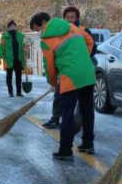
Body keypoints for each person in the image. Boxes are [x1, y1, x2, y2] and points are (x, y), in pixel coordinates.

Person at [30, 12, 96, 160]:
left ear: (43, 22)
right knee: (87, 111)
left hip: (69, 77)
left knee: (67, 114)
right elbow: (90, 41)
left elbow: (50, 67)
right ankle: (88, 144)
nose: (39, 33)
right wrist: (82, 59)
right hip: (87, 73)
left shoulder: (46, 39)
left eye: (38, 29)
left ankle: (65, 151)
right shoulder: (72, 26)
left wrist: (53, 83)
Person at [42, 6, 94, 129]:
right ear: (64, 18)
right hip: (64, 71)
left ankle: (76, 125)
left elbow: (91, 43)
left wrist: (82, 57)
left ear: (77, 18)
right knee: (58, 97)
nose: (70, 19)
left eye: (72, 17)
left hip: (79, 71)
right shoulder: (58, 31)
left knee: (78, 105)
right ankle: (55, 118)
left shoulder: (81, 30)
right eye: (68, 17)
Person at [0, 20, 25, 97]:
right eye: (11, 26)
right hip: (9, 59)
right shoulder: (4, 37)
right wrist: (0, 56)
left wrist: (26, 47)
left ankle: (19, 92)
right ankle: (10, 92)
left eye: (14, 26)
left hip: (18, 59)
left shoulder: (20, 36)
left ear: (16, 27)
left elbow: (24, 44)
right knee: (9, 77)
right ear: (8, 28)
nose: (13, 28)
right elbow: (1, 47)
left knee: (18, 77)